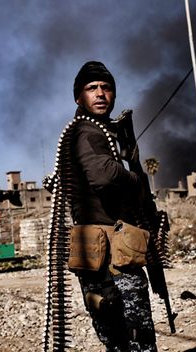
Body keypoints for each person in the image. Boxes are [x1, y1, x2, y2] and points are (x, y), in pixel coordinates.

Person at [65, 61, 157, 351]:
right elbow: (104, 177)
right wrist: (137, 178)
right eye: (92, 88)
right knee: (136, 337)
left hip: (99, 253)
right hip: (111, 255)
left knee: (116, 338)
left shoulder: (98, 132)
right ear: (79, 97)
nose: (101, 93)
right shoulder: (87, 132)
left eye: (106, 87)